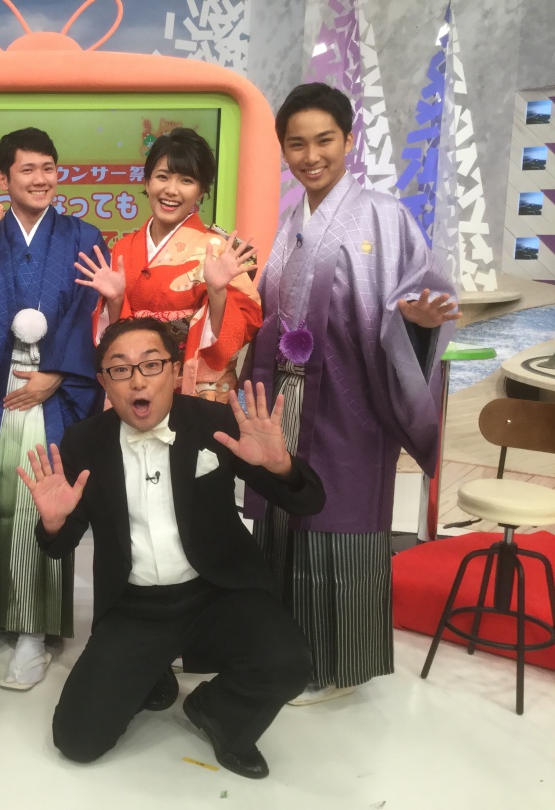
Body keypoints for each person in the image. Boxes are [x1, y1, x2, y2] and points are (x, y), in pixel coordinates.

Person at [17, 317, 324, 778]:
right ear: (104, 382)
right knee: (77, 740)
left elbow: (307, 503)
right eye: (120, 369)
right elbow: (59, 548)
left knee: (288, 663)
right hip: (135, 607)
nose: (138, 380)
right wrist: (54, 524)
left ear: (175, 371)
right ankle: (151, 675)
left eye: (151, 364)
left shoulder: (215, 423)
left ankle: (217, 712)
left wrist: (281, 467)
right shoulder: (84, 442)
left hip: (218, 592)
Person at [244, 82, 460, 705]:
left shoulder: (384, 216)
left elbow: (418, 299)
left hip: (350, 403)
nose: (311, 156)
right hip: (287, 399)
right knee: (284, 515)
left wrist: (418, 326)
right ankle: (286, 652)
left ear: (348, 139)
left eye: (324, 141)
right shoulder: (292, 223)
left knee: (338, 519)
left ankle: (335, 663)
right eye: (297, 144)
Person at [0, 127, 106, 689]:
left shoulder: (83, 236)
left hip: (55, 388)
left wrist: (57, 373)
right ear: (3, 177)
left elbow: (90, 315)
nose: (41, 179)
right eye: (27, 170)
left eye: (49, 168)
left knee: (38, 499)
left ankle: (33, 630)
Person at [74, 127, 261, 402]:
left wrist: (217, 293)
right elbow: (114, 334)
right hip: (137, 382)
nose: (171, 190)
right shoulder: (124, 248)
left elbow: (244, 324)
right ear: (147, 182)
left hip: (195, 388)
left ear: (201, 191)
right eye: (162, 177)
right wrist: (115, 301)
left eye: (186, 180)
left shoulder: (219, 250)